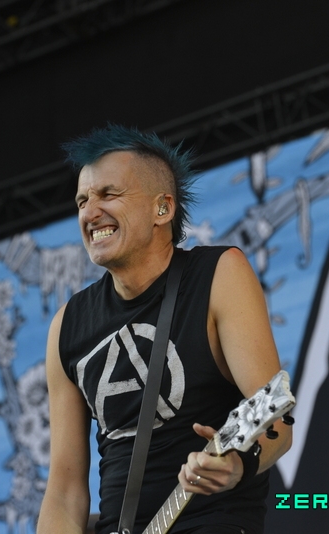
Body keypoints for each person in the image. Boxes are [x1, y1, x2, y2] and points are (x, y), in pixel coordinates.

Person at [36, 125, 292, 534]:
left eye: (108, 194)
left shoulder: (218, 275)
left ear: (162, 208)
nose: (89, 212)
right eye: (82, 200)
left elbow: (276, 422)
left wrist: (238, 465)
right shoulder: (67, 325)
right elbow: (65, 493)